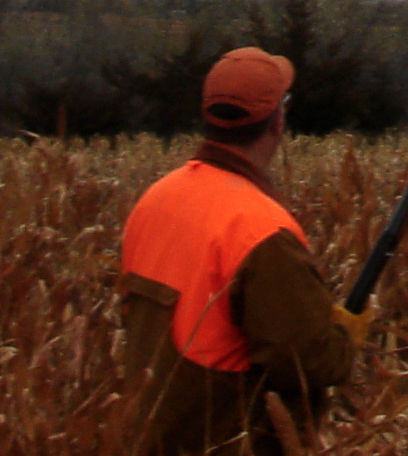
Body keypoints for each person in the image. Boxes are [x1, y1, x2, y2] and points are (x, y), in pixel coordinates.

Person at [121, 46, 372, 455]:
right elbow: (304, 362)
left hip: (151, 440)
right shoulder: (260, 229)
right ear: (277, 122)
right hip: (223, 441)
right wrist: (343, 339)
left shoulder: (156, 199)